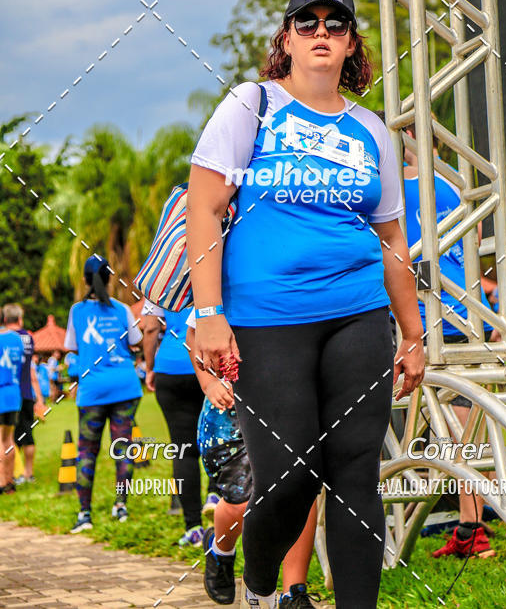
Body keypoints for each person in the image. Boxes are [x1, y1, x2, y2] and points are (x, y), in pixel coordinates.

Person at [186, 0, 425, 609]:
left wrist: (414, 334)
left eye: (336, 24)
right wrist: (209, 315)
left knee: (354, 474)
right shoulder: (252, 105)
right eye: (308, 22)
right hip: (267, 322)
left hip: (359, 316)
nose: (322, 33)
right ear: (287, 39)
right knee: (289, 475)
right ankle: (261, 583)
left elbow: (393, 241)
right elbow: (204, 209)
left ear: (351, 45)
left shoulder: (373, 130)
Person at [401, 125, 495, 560]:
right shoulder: (456, 185)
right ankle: (467, 527)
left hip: (426, 321)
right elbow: (475, 244)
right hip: (468, 313)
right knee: (466, 432)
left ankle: (471, 530)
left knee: (456, 435)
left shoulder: (398, 189)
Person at [185, 313, 319, 607]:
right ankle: (219, 549)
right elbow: (194, 334)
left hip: (292, 400)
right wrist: (209, 384)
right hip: (230, 412)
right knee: (243, 504)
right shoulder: (227, 278)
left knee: (301, 489)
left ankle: (293, 593)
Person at [64, 255, 143, 533]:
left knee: (87, 452)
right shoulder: (122, 310)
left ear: (85, 279)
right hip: (125, 385)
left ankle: (84, 514)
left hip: (92, 390)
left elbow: (72, 349)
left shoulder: (77, 311)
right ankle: (120, 506)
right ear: (110, 278)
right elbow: (136, 342)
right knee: (122, 450)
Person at [142, 298, 215, 547]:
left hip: (170, 366)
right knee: (218, 438)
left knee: (183, 450)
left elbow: (150, 328)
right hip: (208, 363)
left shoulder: (162, 268)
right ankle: (215, 495)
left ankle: (193, 527)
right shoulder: (215, 261)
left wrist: (150, 367)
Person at [2, 304, 46, 484]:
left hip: (7, 392)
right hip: (26, 393)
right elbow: (32, 371)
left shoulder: (6, 338)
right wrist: (40, 399)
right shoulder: (28, 337)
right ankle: (28, 472)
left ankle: (8, 478)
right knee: (26, 433)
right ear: (19, 319)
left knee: (6, 438)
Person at [0, 314, 25, 494]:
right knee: (8, 439)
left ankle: (1, 482)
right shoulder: (16, 339)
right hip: (14, 394)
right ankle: (9, 482)